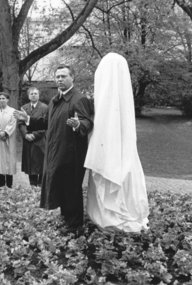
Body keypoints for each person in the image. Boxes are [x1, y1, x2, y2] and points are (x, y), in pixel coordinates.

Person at [14, 65, 93, 227]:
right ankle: (66, 220)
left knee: (71, 190)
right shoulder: (55, 99)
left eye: (63, 76)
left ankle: (75, 226)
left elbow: (87, 122)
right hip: (56, 152)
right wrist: (28, 119)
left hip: (72, 155)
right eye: (57, 77)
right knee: (61, 187)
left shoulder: (79, 99)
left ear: (72, 78)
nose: (59, 79)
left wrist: (78, 125)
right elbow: (46, 122)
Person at [84, 53, 149, 232]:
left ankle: (109, 215)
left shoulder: (109, 90)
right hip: (117, 141)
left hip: (107, 137)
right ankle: (119, 211)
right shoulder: (119, 89)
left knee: (110, 166)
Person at [19, 87, 48, 187]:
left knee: (40, 164)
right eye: (31, 94)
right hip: (28, 140)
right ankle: (32, 186)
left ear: (39, 95)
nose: (34, 95)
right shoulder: (24, 108)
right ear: (28, 96)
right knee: (30, 165)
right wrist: (25, 134)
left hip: (40, 140)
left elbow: (46, 125)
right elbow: (21, 123)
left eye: (35, 93)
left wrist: (34, 135)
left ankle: (40, 186)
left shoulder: (45, 108)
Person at [0, 92, 17, 188]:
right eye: (0, 98)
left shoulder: (13, 111)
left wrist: (6, 132)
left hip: (9, 138)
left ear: (7, 99)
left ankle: (9, 185)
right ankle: (1, 185)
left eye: (4, 98)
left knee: (9, 161)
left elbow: (12, 123)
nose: (1, 100)